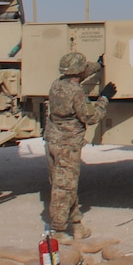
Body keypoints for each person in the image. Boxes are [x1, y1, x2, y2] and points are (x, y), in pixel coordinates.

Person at [45, 51, 116, 244]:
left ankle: (76, 224)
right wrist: (104, 99)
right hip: (67, 145)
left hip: (52, 141)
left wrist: (99, 64)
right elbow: (90, 117)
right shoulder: (76, 92)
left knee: (65, 184)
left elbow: (83, 71)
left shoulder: (57, 84)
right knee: (64, 188)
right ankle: (58, 231)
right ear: (79, 71)